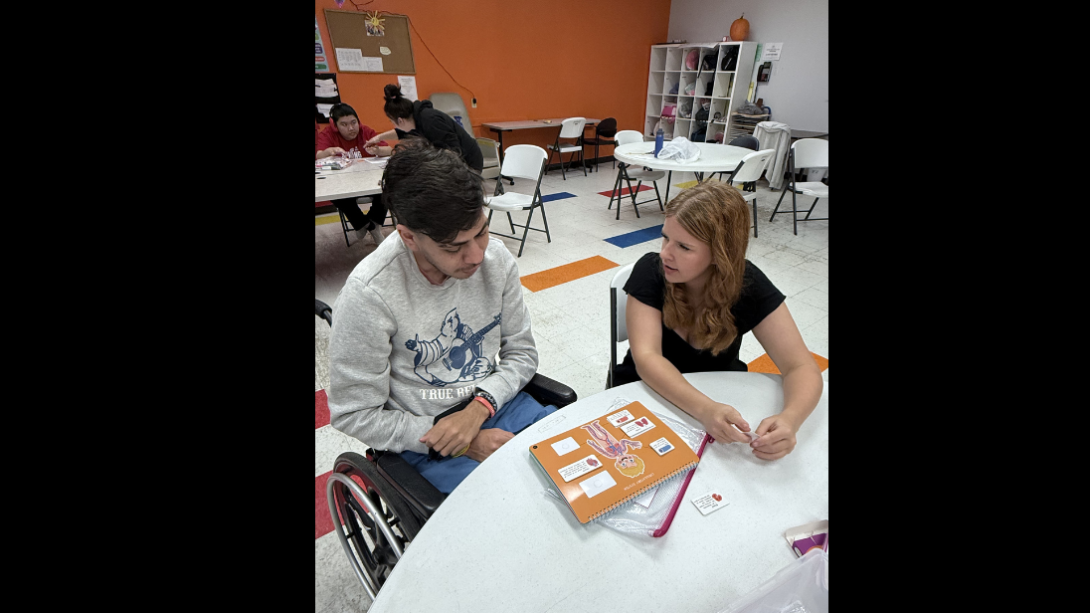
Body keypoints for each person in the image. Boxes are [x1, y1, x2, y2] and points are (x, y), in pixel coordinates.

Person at [326, 140, 557, 493]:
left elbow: (521, 354)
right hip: (424, 438)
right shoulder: (370, 293)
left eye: (481, 232)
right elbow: (353, 413)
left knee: (575, 467)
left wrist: (479, 408)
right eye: (454, 247)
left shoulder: (497, 260)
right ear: (409, 237)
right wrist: (460, 439)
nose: (478, 256)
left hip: (495, 404)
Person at [614, 181, 823, 461]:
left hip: (718, 403)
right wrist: (705, 409)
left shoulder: (748, 285)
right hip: (645, 396)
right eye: (665, 238)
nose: (665, 253)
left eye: (684, 247)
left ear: (720, 253)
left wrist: (791, 419)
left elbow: (801, 366)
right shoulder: (651, 272)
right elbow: (647, 358)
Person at [315, 102, 393, 245]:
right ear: (335, 126)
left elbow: (389, 150)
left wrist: (378, 151)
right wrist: (329, 152)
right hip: (344, 182)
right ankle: (365, 224)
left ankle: (372, 223)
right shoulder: (327, 134)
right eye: (344, 124)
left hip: (368, 179)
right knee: (335, 193)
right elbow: (319, 155)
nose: (351, 128)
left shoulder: (366, 131)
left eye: (353, 122)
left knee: (388, 186)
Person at [363, 84, 484, 173]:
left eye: (392, 122)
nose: (394, 126)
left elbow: (453, 151)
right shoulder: (416, 120)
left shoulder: (431, 121)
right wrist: (378, 138)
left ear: (400, 120)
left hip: (468, 162)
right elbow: (400, 132)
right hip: (454, 162)